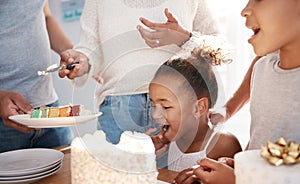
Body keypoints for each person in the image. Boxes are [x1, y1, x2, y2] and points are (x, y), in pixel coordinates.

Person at [181, 0, 300, 184]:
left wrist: (242, 183)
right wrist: (239, 168)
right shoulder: (264, 68)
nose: (245, 10)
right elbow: (270, 157)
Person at [58, 0, 220, 144]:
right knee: (117, 177)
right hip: (117, 108)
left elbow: (218, 47)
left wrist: (185, 38)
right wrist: (80, 61)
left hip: (178, 104)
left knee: (175, 177)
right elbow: (89, 49)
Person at [148, 35, 242, 172]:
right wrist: (146, 155)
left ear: (199, 107)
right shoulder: (169, 141)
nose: (155, 114)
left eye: (166, 106)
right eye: (153, 105)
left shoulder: (222, 143)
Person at [0, 0, 74, 153]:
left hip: (49, 108)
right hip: (6, 122)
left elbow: (45, 15)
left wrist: (71, 53)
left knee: (72, 171)